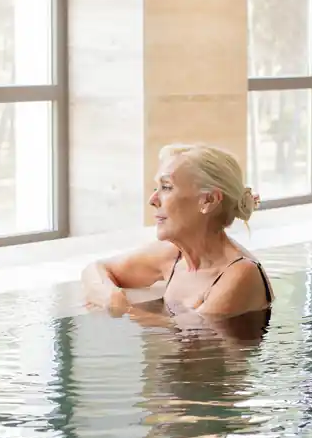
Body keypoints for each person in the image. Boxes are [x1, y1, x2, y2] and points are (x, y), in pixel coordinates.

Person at [81, 143, 274, 339]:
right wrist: (111, 297)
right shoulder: (173, 255)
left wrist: (124, 310)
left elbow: (198, 339)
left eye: (166, 187)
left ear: (208, 201)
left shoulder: (240, 274)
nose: (153, 200)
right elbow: (96, 269)